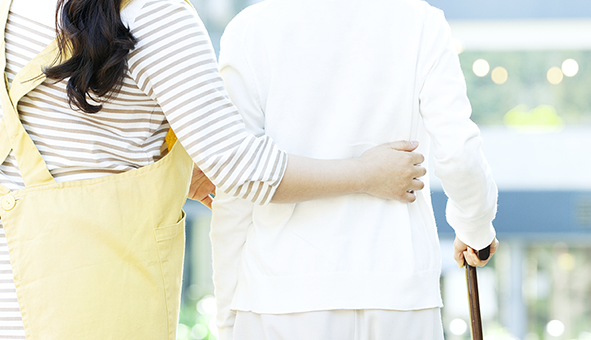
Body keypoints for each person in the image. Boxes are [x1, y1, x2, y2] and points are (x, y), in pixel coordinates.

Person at [0, 0, 426, 338]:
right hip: (98, 293)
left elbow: (61, 136)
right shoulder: (157, 17)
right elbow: (244, 169)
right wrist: (368, 174)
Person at [208, 0, 500, 338]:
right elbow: (459, 154)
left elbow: (236, 189)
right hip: (400, 294)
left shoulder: (251, 28)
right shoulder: (421, 21)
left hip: (281, 297)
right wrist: (475, 226)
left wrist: (227, 318)